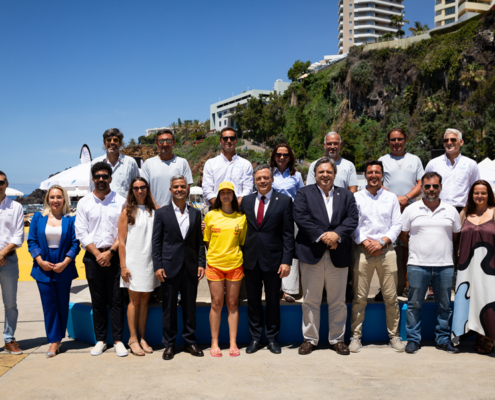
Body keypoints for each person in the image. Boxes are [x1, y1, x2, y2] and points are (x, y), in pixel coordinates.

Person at [294, 157, 358, 356]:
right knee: (311, 299)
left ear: (335, 174)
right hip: (311, 253)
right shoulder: (303, 193)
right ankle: (310, 339)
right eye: (321, 172)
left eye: (329, 172)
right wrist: (324, 236)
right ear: (315, 174)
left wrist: (336, 235)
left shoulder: (346, 195)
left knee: (337, 300)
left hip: (338, 254)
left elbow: (352, 218)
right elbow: (301, 217)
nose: (325, 175)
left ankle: (337, 339)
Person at [399, 172, 461, 354]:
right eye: (427, 186)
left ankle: (442, 339)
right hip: (417, 264)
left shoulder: (451, 211)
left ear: (440, 187)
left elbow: (456, 236)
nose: (431, 190)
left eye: (435, 186)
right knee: (414, 304)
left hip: (445, 265)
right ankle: (413, 340)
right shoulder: (411, 210)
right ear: (422, 188)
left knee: (444, 305)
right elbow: (404, 235)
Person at [349, 160, 404, 353]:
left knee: (391, 297)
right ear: (365, 175)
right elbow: (353, 224)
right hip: (363, 252)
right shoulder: (356, 197)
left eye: (377, 172)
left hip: (386, 251)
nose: (374, 175)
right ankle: (355, 337)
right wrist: (366, 242)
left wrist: (381, 242)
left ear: (382, 175)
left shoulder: (391, 198)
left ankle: (394, 336)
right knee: (359, 297)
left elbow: (397, 224)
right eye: (370, 172)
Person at [75, 161, 128, 357]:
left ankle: (118, 341)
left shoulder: (121, 200)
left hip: (114, 256)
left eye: (104, 176)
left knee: (116, 300)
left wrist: (110, 253)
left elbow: (123, 231)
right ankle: (100, 340)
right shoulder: (84, 203)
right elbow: (81, 232)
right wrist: (98, 254)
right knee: (97, 301)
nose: (101, 179)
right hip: (92, 257)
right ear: (93, 179)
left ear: (110, 179)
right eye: (97, 176)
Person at [240, 164, 294, 354]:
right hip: (251, 259)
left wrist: (287, 261)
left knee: (273, 301)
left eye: (266, 178)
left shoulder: (285, 201)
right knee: (253, 302)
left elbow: (288, 234)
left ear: (271, 179)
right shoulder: (246, 201)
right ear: (254, 181)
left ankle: (272, 339)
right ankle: (255, 339)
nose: (262, 181)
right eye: (259, 178)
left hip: (274, 260)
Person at [152, 175, 206, 361]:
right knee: (169, 308)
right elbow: (156, 242)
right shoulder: (161, 213)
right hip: (168, 267)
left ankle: (190, 341)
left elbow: (199, 242)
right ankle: (169, 344)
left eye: (183, 186)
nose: (179, 189)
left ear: (188, 189)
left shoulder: (196, 213)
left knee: (190, 307)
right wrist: (157, 265)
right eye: (176, 186)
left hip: (190, 267)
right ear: (170, 190)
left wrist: (201, 263)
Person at [28, 185, 80, 358]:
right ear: (47, 199)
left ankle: (58, 339)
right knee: (49, 306)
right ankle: (53, 341)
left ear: (64, 199)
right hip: (42, 266)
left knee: (62, 304)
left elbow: (75, 244)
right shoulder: (38, 217)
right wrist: (40, 260)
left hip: (63, 265)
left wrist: (66, 262)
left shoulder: (70, 219)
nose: (55, 200)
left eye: (59, 197)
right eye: (52, 197)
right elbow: (32, 241)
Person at [378, 128, 424, 299]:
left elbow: (421, 183)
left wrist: (405, 198)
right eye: (393, 139)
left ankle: (407, 285)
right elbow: (377, 181)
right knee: (386, 248)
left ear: (405, 140)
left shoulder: (415, 160)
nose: (396, 142)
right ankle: (385, 288)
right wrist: (393, 199)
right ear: (388, 141)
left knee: (408, 249)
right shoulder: (382, 160)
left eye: (400, 139)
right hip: (388, 209)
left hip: (410, 209)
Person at [203, 181, 247, 357]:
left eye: (229, 192)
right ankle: (214, 342)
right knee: (216, 303)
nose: (226, 195)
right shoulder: (211, 216)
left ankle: (233, 342)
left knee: (232, 303)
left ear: (234, 196)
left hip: (235, 265)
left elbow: (241, 242)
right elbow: (206, 240)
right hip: (214, 265)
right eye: (223, 192)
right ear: (219, 196)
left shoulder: (241, 218)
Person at [452, 180, 495, 354]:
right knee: (468, 301)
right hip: (466, 266)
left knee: (487, 299)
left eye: (483, 193)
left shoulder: (494, 212)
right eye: (476, 193)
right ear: (471, 195)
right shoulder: (464, 213)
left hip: (490, 268)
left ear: (489, 194)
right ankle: (472, 334)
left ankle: (488, 338)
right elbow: (456, 240)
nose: (480, 196)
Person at [118, 177, 158, 356]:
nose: (140, 191)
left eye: (143, 187)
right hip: (133, 262)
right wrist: (123, 266)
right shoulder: (127, 211)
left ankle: (142, 337)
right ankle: (132, 338)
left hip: (149, 262)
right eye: (136, 188)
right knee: (133, 300)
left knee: (145, 301)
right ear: (131, 190)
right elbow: (121, 241)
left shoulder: (153, 211)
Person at [269, 143, 304, 303]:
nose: (281, 157)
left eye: (285, 155)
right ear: (274, 157)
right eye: (278, 154)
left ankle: (289, 289)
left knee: (291, 250)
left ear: (290, 157)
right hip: (272, 217)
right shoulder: (269, 174)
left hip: (291, 217)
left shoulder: (296, 176)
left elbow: (301, 197)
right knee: (274, 251)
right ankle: (275, 288)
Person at [424, 128, 480, 212]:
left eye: (453, 140)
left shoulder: (471, 164)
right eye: (446, 140)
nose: (449, 143)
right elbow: (425, 187)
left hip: (463, 211)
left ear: (461, 142)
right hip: (438, 210)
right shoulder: (433, 164)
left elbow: (476, 189)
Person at [0, 171, 24, 355]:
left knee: (10, 303)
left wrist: (2, 253)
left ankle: (9, 339)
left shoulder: (15, 207)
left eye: (1, 182)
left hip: (9, 259)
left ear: (6, 184)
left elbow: (18, 236)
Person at [202, 127, 254, 207]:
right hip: (215, 210)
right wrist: (218, 206)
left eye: (232, 138)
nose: (229, 141)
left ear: (236, 140)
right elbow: (207, 188)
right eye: (225, 138)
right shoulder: (210, 163)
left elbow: (248, 189)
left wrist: (236, 206)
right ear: (220, 141)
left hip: (239, 211)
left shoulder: (246, 164)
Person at [141, 130, 193, 208]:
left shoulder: (182, 162)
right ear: (157, 144)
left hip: (176, 212)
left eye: (168, 141)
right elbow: (144, 189)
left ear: (173, 143)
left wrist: (173, 210)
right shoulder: (148, 164)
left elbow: (186, 188)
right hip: (154, 211)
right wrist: (156, 207)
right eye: (161, 141)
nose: (165, 144)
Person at [90, 128, 140, 198]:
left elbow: (137, 187)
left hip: (125, 207)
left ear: (120, 144)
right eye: (109, 140)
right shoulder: (95, 163)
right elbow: (92, 189)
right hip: (103, 206)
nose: (112, 142)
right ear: (104, 144)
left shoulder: (130, 162)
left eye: (115, 140)